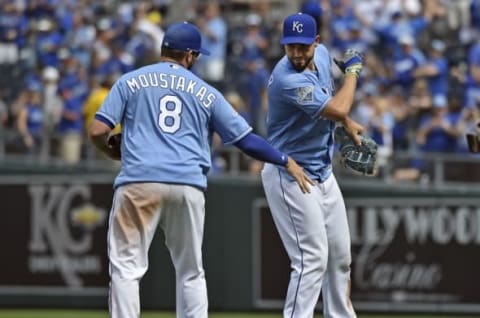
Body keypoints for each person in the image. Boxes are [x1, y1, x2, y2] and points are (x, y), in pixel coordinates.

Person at [87, 21, 313, 318]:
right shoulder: (206, 92)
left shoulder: (130, 81)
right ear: (190, 55)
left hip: (139, 182)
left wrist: (112, 152)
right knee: (191, 272)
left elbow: (96, 130)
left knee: (127, 270)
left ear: (164, 50)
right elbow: (247, 141)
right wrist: (284, 160)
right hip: (187, 185)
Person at [261, 13, 364, 318]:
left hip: (322, 172)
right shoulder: (286, 79)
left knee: (341, 258)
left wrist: (344, 122)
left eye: (302, 46)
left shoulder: (320, 54)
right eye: (290, 46)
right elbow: (339, 105)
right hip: (291, 174)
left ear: (315, 42)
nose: (296, 52)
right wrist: (354, 74)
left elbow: (335, 109)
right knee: (311, 259)